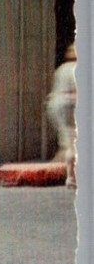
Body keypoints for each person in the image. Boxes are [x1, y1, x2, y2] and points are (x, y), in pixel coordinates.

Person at [47, 44, 77, 187]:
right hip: (72, 106)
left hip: (57, 105)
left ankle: (70, 176)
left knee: (68, 142)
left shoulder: (62, 69)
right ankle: (71, 176)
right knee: (74, 144)